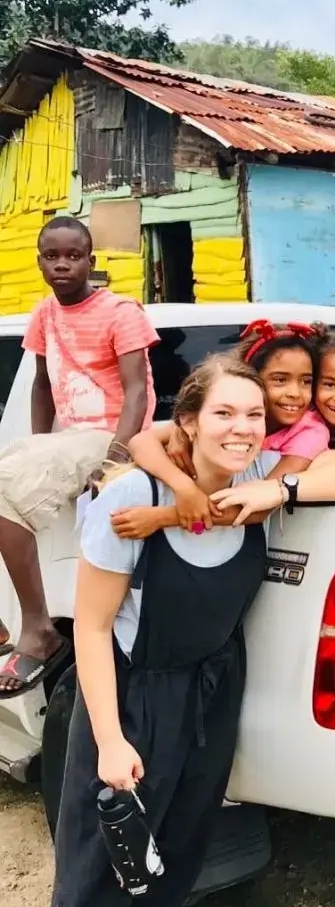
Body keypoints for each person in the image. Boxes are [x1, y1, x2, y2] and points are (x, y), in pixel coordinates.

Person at [49, 354, 335, 907]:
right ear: (188, 421)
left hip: (214, 690)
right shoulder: (134, 497)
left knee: (179, 851)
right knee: (105, 863)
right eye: (225, 413)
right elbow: (92, 627)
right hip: (139, 696)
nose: (243, 427)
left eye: (255, 415)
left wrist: (278, 491)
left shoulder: (254, 476)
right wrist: (110, 742)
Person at [0, 217, 158, 698]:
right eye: (53, 256)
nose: (63, 264)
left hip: (112, 433)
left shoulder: (120, 311)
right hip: (68, 436)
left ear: (91, 259)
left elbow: (138, 392)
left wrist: (114, 457)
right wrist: (39, 448)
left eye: (74, 255)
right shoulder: (45, 314)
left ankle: (37, 628)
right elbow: (44, 386)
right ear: (40, 261)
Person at [124, 320, 329, 536]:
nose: (295, 393)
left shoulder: (309, 432)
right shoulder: (217, 421)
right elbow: (140, 442)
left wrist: (163, 517)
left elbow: (258, 508)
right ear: (251, 379)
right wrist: (184, 488)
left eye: (306, 381)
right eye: (280, 380)